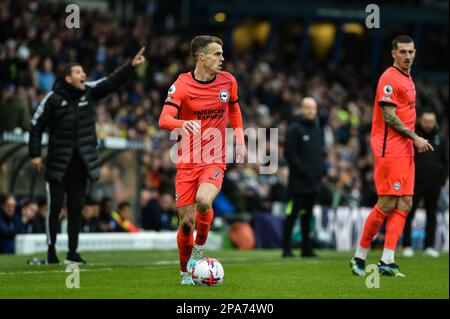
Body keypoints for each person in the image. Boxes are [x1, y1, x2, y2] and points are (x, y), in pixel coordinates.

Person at [28, 47, 146, 264]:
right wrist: (35, 154)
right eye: (78, 72)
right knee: (54, 208)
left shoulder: (88, 91)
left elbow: (110, 83)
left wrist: (130, 66)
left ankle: (73, 253)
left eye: (83, 72)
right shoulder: (53, 99)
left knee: (76, 208)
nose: (83, 75)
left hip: (81, 162)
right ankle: (51, 252)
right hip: (58, 163)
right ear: (68, 78)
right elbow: (35, 126)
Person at [158, 35, 245, 285]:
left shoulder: (228, 81)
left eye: (222, 53)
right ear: (201, 57)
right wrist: (183, 123)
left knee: (204, 201)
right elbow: (164, 120)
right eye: (217, 54)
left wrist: (239, 140)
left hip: (214, 157)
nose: (222, 58)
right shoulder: (182, 84)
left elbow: (234, 110)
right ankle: (185, 271)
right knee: (186, 223)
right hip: (186, 160)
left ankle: (199, 250)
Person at [350, 35, 434, 278]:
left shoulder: (408, 78)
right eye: (403, 52)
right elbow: (388, 116)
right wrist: (415, 136)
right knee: (387, 202)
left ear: (415, 53)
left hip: (405, 148)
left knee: (406, 202)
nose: (407, 56)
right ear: (393, 53)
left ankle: (387, 260)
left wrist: (412, 140)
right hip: (391, 148)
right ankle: (359, 256)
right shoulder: (389, 78)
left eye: (411, 52)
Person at [402, 109, 448, 257]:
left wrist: (442, 180)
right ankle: (407, 245)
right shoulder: (412, 138)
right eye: (426, 121)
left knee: (432, 214)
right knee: (409, 213)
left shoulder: (440, 140)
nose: (429, 124)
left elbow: (445, 162)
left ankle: (429, 246)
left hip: (434, 184)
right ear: (420, 121)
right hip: (414, 182)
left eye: (431, 121)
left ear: (435, 122)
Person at [282, 97, 324, 258]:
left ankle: (306, 248)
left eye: (313, 108)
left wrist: (320, 172)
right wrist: (303, 171)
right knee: (293, 215)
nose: (310, 111)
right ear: (301, 108)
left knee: (308, 216)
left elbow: (319, 153)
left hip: (313, 183)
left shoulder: (317, 129)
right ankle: (286, 248)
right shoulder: (294, 128)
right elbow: (289, 153)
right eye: (307, 108)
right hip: (298, 183)